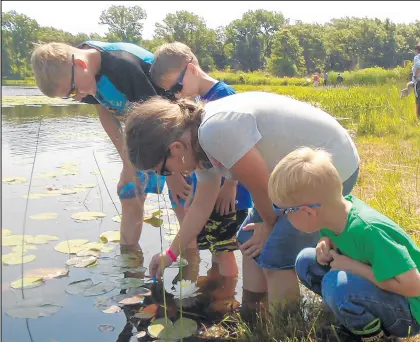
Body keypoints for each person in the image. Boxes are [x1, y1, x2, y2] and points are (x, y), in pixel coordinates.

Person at [124, 91, 361, 309]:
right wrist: (171, 255)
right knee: (248, 238)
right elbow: (201, 207)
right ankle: (253, 310)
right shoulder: (196, 144)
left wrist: (269, 225)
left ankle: (284, 330)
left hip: (331, 168)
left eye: (164, 171)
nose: (171, 176)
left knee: (275, 251)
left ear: (175, 148)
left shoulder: (214, 131)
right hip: (288, 176)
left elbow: (260, 185)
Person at [30, 41, 192, 252]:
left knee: (181, 199)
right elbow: (105, 112)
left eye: (73, 90)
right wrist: (128, 163)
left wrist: (173, 175)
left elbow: (162, 120)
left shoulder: (123, 66)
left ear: (79, 63)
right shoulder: (83, 73)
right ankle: (129, 263)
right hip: (143, 132)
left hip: (176, 130)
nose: (78, 96)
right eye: (69, 96)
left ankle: (190, 259)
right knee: (130, 191)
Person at [269, 147, 420, 342]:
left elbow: (413, 286)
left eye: (284, 211)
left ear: (307, 212)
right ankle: (355, 320)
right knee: (306, 261)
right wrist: (325, 243)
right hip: (385, 292)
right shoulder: (336, 212)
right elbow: (331, 235)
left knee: (337, 284)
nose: (283, 217)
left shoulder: (369, 230)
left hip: (411, 312)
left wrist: (353, 268)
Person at [149, 42, 253, 277]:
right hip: (213, 191)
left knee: (224, 248)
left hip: (231, 194)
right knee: (216, 246)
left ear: (192, 68)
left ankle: (225, 292)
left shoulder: (223, 96)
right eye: (170, 93)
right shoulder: (199, 101)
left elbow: (238, 147)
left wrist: (231, 184)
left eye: (177, 86)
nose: (177, 95)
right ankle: (217, 283)